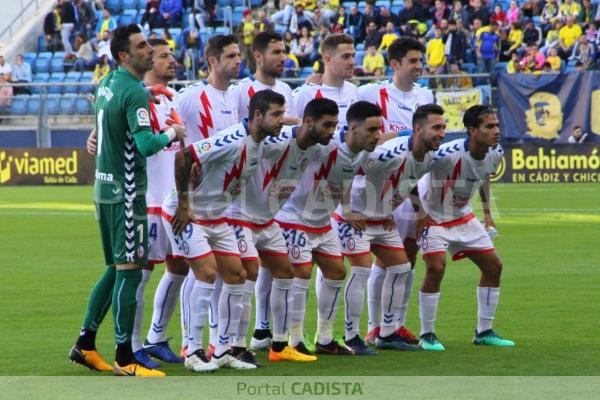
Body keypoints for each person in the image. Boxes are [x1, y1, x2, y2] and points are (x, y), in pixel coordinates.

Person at [68, 24, 184, 377]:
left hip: (103, 190)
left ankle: (85, 344)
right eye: (142, 45)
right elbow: (147, 145)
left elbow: (106, 127)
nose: (149, 49)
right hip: (127, 192)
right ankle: (125, 356)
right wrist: (172, 133)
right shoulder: (134, 92)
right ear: (124, 55)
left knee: (115, 269)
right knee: (132, 272)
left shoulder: (107, 83)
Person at [161, 89, 286, 371]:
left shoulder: (260, 141)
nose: (281, 120)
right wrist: (183, 203)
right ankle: (193, 352)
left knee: (237, 275)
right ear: (257, 116)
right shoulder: (232, 139)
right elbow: (184, 157)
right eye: (276, 114)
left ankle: (224, 350)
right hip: (188, 214)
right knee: (205, 272)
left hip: (216, 217)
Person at [224, 98, 340, 362]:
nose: (332, 131)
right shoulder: (275, 142)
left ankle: (279, 346)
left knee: (286, 272)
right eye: (327, 125)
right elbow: (242, 142)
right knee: (248, 273)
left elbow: (352, 141)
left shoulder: (317, 146)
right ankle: (236, 346)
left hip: (267, 219)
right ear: (309, 122)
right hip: (239, 215)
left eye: (334, 125)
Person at [275, 101, 382, 356]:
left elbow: (342, 177)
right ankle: (294, 340)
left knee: (336, 272)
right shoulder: (324, 146)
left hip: (323, 222)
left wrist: (346, 208)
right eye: (371, 130)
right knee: (300, 274)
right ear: (353, 128)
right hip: (294, 217)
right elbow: (294, 140)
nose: (377, 135)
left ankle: (324, 338)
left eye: (378, 129)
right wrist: (289, 122)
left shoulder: (363, 152)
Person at [417, 105, 515, 351]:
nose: (497, 131)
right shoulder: (446, 154)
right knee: (436, 267)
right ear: (472, 131)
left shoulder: (496, 152)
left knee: (494, 266)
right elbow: (410, 174)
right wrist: (420, 214)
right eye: (489, 126)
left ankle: (484, 332)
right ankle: (426, 334)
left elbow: (482, 177)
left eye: (497, 125)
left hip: (463, 218)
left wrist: (487, 213)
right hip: (434, 219)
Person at [359, 37, 434, 345]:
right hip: (382, 187)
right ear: (395, 64)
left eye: (420, 60)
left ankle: (396, 324)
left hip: (417, 184)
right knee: (385, 259)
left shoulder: (425, 94)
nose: (419, 66)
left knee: (409, 257)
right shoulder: (369, 92)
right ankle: (375, 326)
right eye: (413, 61)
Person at [176, 34, 241, 358]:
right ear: (212, 60)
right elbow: (163, 125)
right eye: (230, 56)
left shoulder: (237, 98)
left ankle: (219, 345)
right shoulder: (192, 97)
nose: (237, 60)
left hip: (220, 205)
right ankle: (190, 345)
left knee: (230, 275)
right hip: (190, 204)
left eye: (238, 55)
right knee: (199, 273)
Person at [292, 34, 358, 128]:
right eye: (346, 56)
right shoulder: (306, 93)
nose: (353, 62)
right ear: (327, 59)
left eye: (353, 56)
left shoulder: (353, 90)